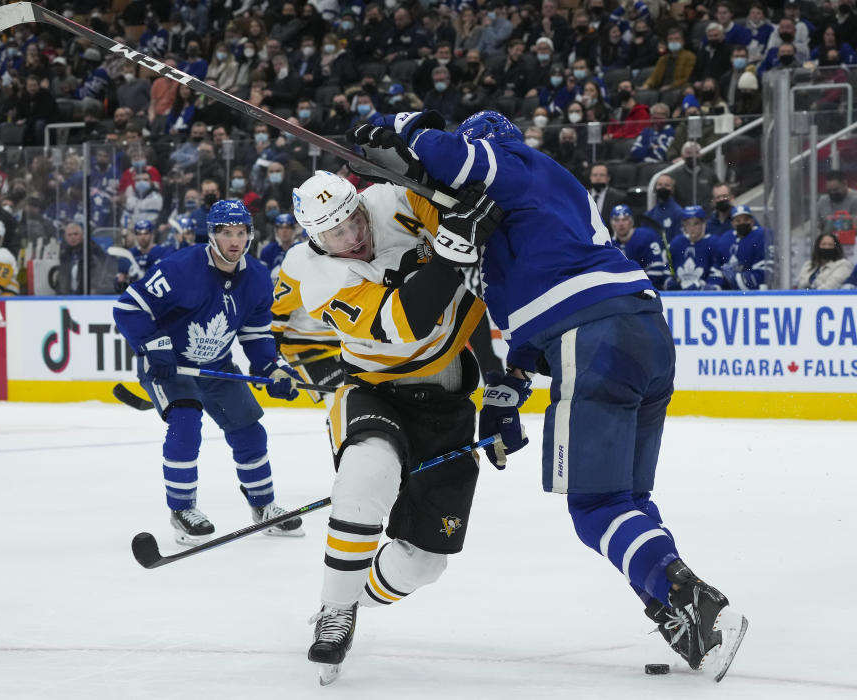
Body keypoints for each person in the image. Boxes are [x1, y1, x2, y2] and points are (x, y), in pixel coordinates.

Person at [351, 109, 748, 682]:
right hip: (641, 333)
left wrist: (402, 124)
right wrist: (508, 389)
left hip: (593, 339)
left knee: (594, 508)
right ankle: (675, 608)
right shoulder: (524, 212)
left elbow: (447, 157)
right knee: (626, 498)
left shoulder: (515, 163)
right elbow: (533, 318)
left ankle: (692, 601)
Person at [279, 170, 498, 683]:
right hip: (375, 390)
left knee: (423, 564)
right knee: (364, 478)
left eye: (353, 220)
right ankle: (334, 610)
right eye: (336, 233)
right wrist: (453, 246)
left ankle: (353, 596)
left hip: (447, 400)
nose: (353, 236)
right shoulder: (315, 273)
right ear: (315, 238)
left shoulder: (389, 200)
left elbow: (449, 206)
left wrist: (437, 188)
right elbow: (408, 319)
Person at [112, 200, 305, 546]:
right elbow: (128, 307)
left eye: (241, 233)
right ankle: (182, 510)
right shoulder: (181, 268)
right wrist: (156, 346)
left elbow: (256, 335)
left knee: (250, 431)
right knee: (186, 423)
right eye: (227, 233)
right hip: (169, 366)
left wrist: (272, 368)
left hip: (215, 365)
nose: (235, 241)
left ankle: (264, 506)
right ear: (212, 236)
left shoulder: (258, 277)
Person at [262, 212, 342, 409]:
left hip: (342, 344)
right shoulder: (300, 259)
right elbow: (277, 311)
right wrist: (268, 359)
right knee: (342, 398)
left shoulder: (353, 253)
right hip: (305, 346)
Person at [707, 205, 773, 290]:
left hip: (755, 294)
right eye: (738, 221)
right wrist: (715, 285)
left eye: (746, 220)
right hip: (730, 296)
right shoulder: (725, 239)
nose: (742, 223)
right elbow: (717, 268)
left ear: (752, 221)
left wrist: (738, 279)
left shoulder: (763, 235)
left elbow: (766, 271)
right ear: (732, 223)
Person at [609, 205, 672, 289]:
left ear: (632, 221)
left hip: (656, 291)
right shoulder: (610, 245)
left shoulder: (647, 236)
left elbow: (657, 272)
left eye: (625, 219)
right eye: (617, 220)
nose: (621, 224)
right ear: (611, 223)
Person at [668, 206, 717, 290]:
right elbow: (667, 267)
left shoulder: (713, 243)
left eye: (696, 223)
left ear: (703, 223)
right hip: (679, 295)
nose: (692, 228)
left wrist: (708, 286)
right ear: (684, 225)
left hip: (704, 296)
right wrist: (669, 281)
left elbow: (717, 269)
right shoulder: (676, 243)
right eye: (688, 224)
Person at [115, 219, 170, 288]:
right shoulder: (130, 254)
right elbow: (118, 286)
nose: (142, 237)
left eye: (146, 233)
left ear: (152, 234)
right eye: (139, 234)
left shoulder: (162, 253)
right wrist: (121, 281)